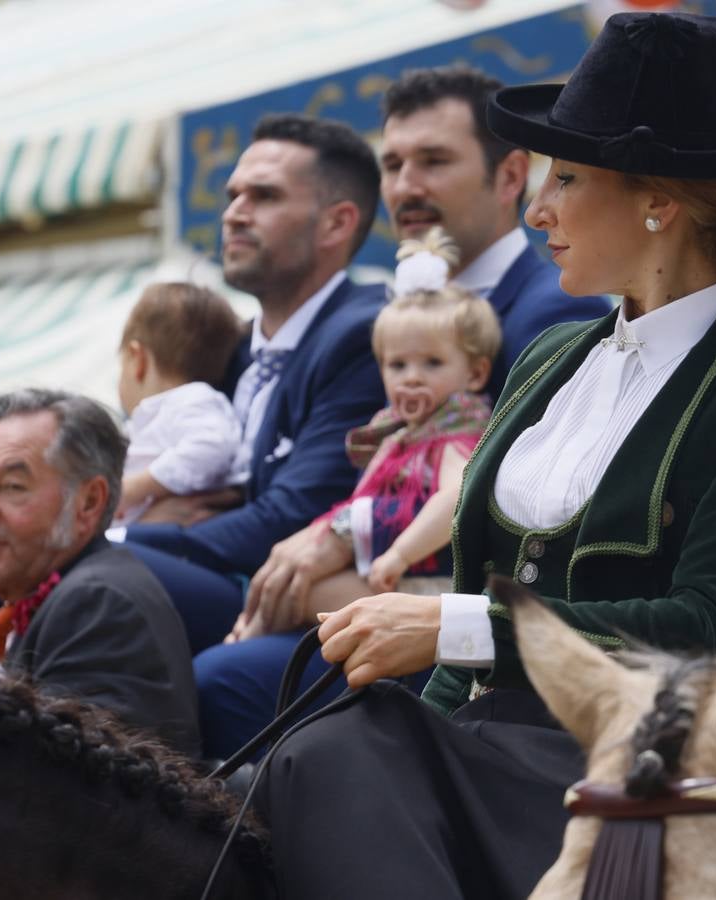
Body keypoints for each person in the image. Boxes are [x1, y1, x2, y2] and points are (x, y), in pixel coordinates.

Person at [258, 13, 716, 898]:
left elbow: (713, 625)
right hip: (485, 742)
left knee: (328, 762)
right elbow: (471, 629)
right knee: (288, 771)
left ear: (659, 201)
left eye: (566, 176)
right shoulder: (547, 357)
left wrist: (451, 626)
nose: (538, 207)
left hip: (633, 763)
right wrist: (419, 711)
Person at [0, 113, 387, 658]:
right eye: (232, 195)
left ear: (336, 223)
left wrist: (120, 532)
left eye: (264, 196)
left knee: (66, 563)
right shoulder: (228, 345)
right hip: (189, 563)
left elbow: (290, 514)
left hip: (269, 588)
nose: (233, 213)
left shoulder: (365, 334)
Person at [197, 229, 501, 757]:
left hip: (424, 584)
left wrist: (399, 552)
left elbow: (456, 497)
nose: (411, 379)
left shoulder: (459, 431)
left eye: (431, 364)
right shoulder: (398, 434)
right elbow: (361, 497)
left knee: (300, 591)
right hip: (387, 573)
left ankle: (256, 631)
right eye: (397, 365)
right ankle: (252, 627)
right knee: (289, 577)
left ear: (474, 373)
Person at [0, 389, 200, 756]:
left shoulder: (98, 603)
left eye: (12, 487)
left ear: (88, 502)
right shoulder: (27, 608)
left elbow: (54, 781)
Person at [378, 64, 613, 399]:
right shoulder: (394, 314)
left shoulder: (561, 311)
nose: (404, 187)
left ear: (510, 176)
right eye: (392, 166)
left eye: (434, 161)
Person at [112, 281, 244, 527]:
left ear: (137, 359)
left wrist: (133, 489)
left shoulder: (193, 400)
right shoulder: (159, 415)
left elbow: (213, 446)